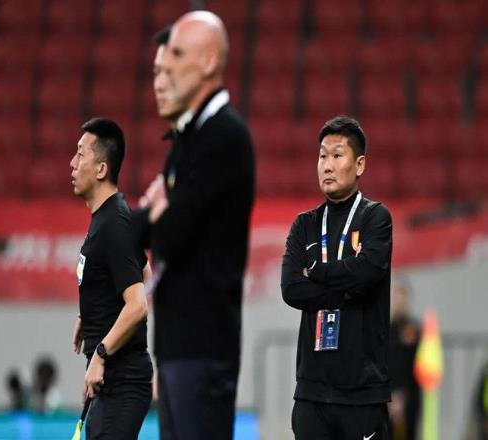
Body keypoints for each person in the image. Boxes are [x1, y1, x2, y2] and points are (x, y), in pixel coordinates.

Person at [134, 11, 255, 440]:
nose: (166, 68)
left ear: (208, 62)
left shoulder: (223, 136)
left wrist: (159, 214)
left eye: (178, 55)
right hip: (180, 345)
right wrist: (156, 213)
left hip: (203, 346)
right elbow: (150, 228)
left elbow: (170, 235)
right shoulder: (189, 140)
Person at [281, 116, 392, 440]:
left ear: (359, 164)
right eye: (322, 156)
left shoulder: (375, 217)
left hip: (363, 392)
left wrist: (316, 271)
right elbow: (291, 289)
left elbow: (367, 273)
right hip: (311, 392)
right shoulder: (304, 225)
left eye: (337, 155)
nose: (327, 165)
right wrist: (348, 289)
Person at [70, 118, 153, 439]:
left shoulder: (114, 223)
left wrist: (101, 355)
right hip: (111, 380)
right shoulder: (109, 217)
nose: (72, 163)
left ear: (101, 169)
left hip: (121, 380)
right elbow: (143, 271)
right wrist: (90, 313)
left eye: (80, 154)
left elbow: (138, 305)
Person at [388, 279, 420, 440]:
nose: (399, 303)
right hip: (387, 397)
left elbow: (415, 366)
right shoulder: (385, 330)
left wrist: (401, 395)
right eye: (397, 298)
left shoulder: (414, 331)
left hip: (409, 396)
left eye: (402, 298)